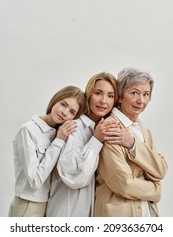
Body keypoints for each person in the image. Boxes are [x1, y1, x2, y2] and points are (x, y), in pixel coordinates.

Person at [46, 71, 134, 217]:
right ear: (89, 95)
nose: (103, 101)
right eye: (98, 93)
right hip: (65, 213)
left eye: (110, 96)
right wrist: (95, 140)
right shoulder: (74, 126)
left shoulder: (104, 127)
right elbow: (74, 176)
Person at [94, 67, 168, 217]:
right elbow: (124, 185)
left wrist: (133, 144)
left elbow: (160, 170)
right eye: (134, 93)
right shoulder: (110, 128)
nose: (141, 100)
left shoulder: (143, 130)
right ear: (120, 96)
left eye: (146, 94)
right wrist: (156, 190)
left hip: (147, 212)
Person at [8, 85, 88, 217]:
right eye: (63, 104)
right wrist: (59, 141)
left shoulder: (59, 133)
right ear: (55, 100)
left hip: (47, 204)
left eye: (72, 112)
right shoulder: (28, 130)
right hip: (28, 205)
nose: (65, 112)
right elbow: (35, 181)